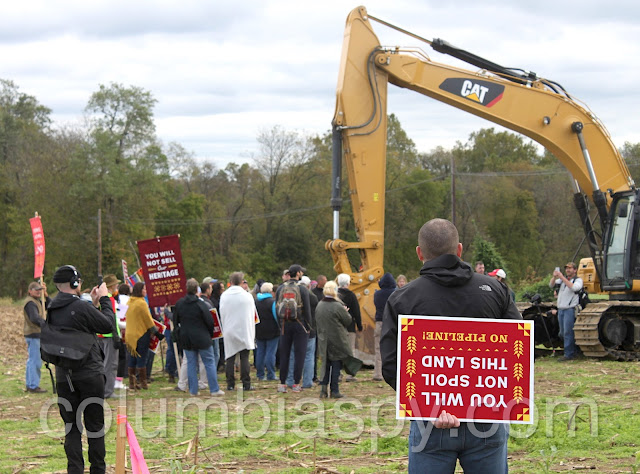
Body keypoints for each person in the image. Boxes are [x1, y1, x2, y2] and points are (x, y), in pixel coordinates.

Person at [380, 219, 522, 474]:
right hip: (487, 419)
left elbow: (392, 364)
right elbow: (520, 353)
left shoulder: (402, 298)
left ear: (419, 253)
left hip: (430, 423)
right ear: (459, 250)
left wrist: (428, 406)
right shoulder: (496, 290)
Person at [47, 265, 115, 474]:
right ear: (75, 283)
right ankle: (98, 470)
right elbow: (107, 325)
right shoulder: (80, 306)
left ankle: (75, 470)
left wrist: (92, 304)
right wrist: (104, 300)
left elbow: (78, 322)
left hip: (64, 377)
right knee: (95, 427)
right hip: (90, 375)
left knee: (72, 428)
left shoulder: (52, 308)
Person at [174, 278, 224, 396]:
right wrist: (209, 334)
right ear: (197, 289)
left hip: (187, 337)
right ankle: (214, 389)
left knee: (191, 363)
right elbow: (210, 322)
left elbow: (176, 320)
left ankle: (193, 390)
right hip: (202, 337)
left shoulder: (180, 304)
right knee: (209, 362)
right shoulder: (201, 304)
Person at [315, 281, 361, 398]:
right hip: (337, 340)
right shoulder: (337, 306)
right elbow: (348, 320)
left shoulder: (320, 305)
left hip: (323, 340)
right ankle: (334, 390)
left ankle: (323, 390)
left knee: (325, 365)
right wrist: (345, 312)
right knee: (336, 364)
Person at [276, 264, 311, 393]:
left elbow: (276, 307)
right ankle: (296, 384)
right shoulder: (302, 289)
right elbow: (307, 309)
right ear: (298, 273)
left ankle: (282, 384)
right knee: (299, 355)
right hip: (299, 324)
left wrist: (280, 324)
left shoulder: (281, 288)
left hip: (285, 324)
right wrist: (309, 326)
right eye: (301, 272)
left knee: (284, 354)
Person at [219, 272, 257, 391]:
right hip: (244, 329)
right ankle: (246, 383)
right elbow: (252, 314)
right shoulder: (247, 296)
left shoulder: (224, 296)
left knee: (230, 357)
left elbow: (222, 313)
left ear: (231, 282)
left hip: (229, 329)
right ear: (241, 282)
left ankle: (230, 384)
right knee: (244, 357)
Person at [124, 282, 164, 390]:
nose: (146, 291)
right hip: (140, 334)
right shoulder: (142, 303)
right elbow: (148, 320)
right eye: (144, 289)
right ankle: (143, 382)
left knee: (132, 358)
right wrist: (157, 333)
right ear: (140, 290)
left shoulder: (129, 302)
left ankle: (132, 383)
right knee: (141, 358)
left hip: (129, 335)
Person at [285, 275, 318, 388]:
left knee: (293, 355)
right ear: (308, 285)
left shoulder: (292, 295)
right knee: (309, 356)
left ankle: (290, 380)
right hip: (309, 329)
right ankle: (307, 381)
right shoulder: (313, 297)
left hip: (294, 327)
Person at [549, 262, 583, 361]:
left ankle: (569, 354)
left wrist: (562, 277)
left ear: (575, 270)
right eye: (566, 268)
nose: (568, 270)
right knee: (562, 333)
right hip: (561, 309)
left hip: (569, 309)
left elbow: (574, 287)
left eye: (570, 268)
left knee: (568, 332)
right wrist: (554, 277)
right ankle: (574, 350)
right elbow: (551, 285)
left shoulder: (578, 280)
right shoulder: (561, 281)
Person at [98, 274, 122, 398]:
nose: (117, 286)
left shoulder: (100, 298)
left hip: (100, 335)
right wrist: (116, 336)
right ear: (111, 286)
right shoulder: (109, 299)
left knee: (102, 364)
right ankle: (108, 391)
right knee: (111, 364)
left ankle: (102, 389)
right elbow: (111, 318)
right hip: (109, 335)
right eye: (116, 284)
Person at [23, 281, 50, 393]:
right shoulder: (30, 303)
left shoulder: (37, 301)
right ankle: (33, 386)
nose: (39, 292)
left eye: (40, 290)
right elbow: (34, 318)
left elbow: (50, 305)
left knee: (32, 360)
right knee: (35, 361)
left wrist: (46, 294)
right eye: (36, 290)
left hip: (33, 334)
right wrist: (45, 325)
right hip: (34, 334)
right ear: (30, 291)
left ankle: (30, 384)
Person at [336, 273, 362, 381]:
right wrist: (359, 326)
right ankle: (350, 374)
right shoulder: (351, 295)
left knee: (338, 350)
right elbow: (356, 312)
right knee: (350, 350)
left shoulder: (335, 295)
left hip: (337, 327)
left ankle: (337, 373)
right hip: (350, 326)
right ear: (348, 283)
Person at [254, 282, 280, 381]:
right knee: (270, 352)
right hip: (272, 330)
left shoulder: (256, 301)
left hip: (259, 330)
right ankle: (271, 374)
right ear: (271, 291)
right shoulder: (272, 302)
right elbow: (276, 316)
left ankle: (260, 374)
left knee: (260, 352)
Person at [373, 272, 396, 381]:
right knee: (393, 348)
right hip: (392, 322)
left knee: (378, 349)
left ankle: (378, 374)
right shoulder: (396, 293)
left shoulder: (377, 294)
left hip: (379, 322)